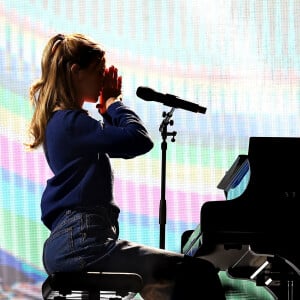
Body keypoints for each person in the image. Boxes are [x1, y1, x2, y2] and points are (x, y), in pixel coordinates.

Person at [27, 33, 225, 299]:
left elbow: (122, 146)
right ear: (76, 72)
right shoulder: (71, 122)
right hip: (83, 242)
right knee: (198, 272)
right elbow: (138, 140)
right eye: (98, 71)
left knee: (164, 284)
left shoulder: (63, 124)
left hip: (71, 242)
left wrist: (107, 113)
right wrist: (114, 103)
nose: (102, 79)